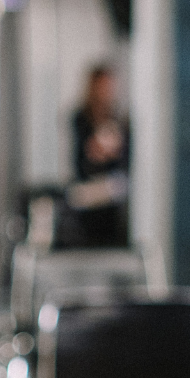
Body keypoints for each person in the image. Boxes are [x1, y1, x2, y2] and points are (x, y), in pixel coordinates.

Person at [66, 64, 129, 247]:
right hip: (86, 198)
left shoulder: (118, 118)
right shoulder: (81, 118)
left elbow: (121, 160)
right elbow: (83, 158)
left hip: (112, 200)